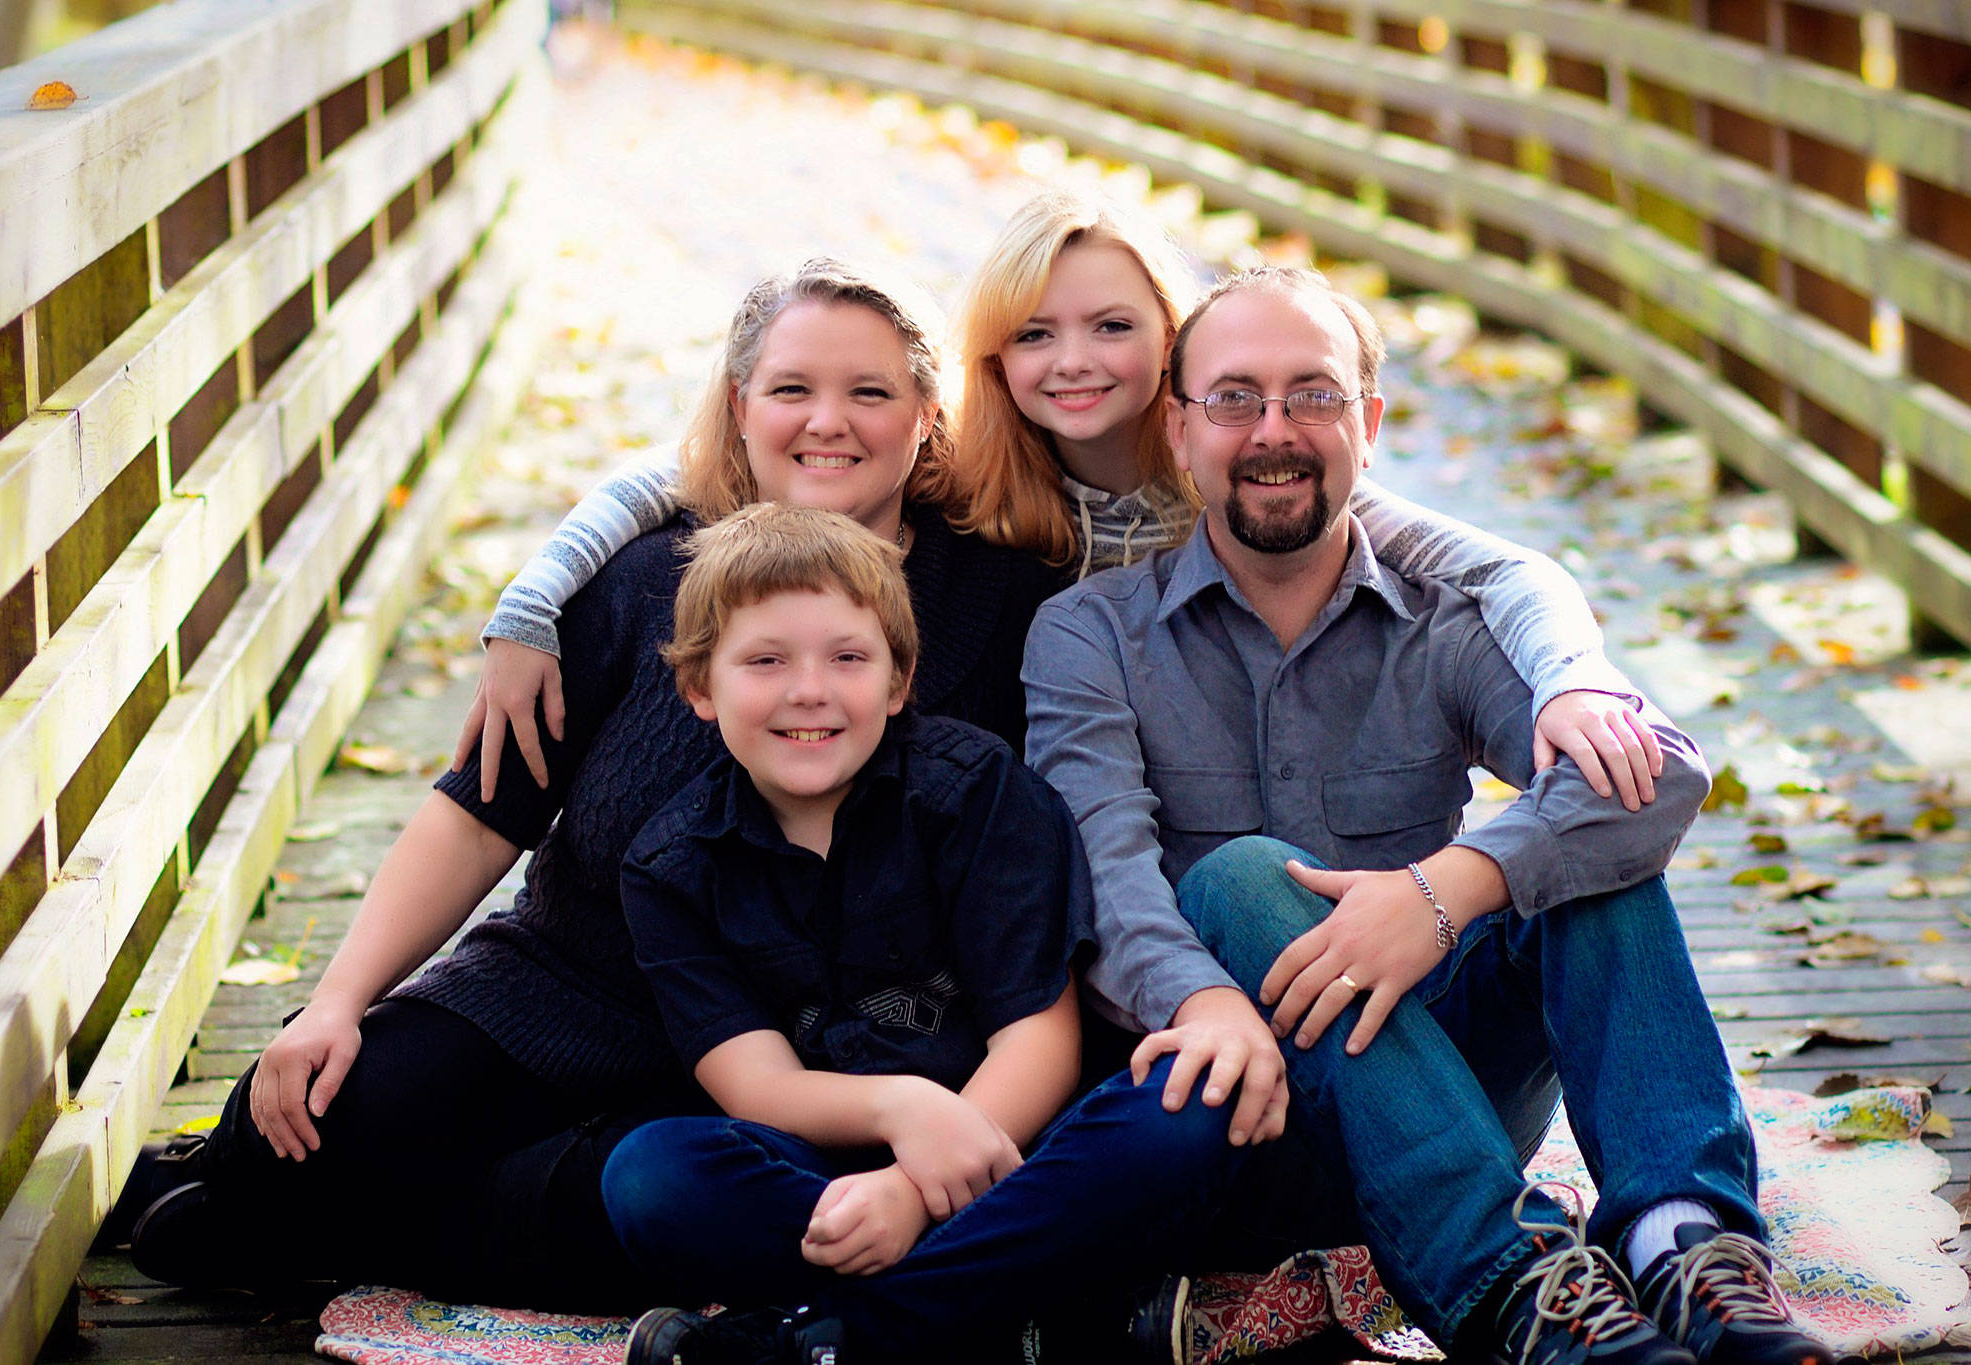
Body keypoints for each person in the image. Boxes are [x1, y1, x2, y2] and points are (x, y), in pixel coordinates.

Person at [118, 259, 1067, 1309]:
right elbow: (482, 815)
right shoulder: (641, 578)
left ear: (928, 417)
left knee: (650, 1195)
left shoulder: (1000, 601)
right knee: (302, 1105)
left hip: (795, 1053)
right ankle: (255, 1190)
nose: (825, 423)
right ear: (741, 405)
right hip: (564, 991)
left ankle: (335, 1220)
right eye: (792, 389)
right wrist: (339, 1000)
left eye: (870, 392)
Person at [1021, 264, 1835, 1365]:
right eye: (1234, 398)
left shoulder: (1445, 624)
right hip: (1245, 1119)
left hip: (1449, 1088)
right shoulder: (1090, 635)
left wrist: (1446, 890)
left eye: (1311, 395)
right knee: (1234, 880)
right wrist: (1203, 1000)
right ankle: (1512, 1288)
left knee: (1587, 851)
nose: (1274, 430)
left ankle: (1679, 1243)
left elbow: (1663, 773)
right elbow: (1105, 881)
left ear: (1367, 421)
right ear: (1177, 428)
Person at [456, 191, 1665, 820]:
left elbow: (1505, 569)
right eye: (1032, 333)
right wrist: (529, 605)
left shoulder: (1239, 466)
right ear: (990, 356)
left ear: (1171, 340)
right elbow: (688, 476)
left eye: (1111, 327)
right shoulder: (967, 475)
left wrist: (1568, 677)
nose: (1072, 361)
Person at [602, 503, 1239, 1365]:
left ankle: (834, 1340)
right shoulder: (670, 863)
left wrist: (914, 1193)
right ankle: (1030, 1318)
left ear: (899, 680)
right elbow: (757, 1084)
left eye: (848, 658)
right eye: (765, 660)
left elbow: (1040, 1039)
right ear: (700, 688)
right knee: (651, 1174)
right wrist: (899, 1115)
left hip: (1021, 1149)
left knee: (1185, 1109)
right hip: (822, 1175)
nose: (809, 690)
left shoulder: (978, 792)